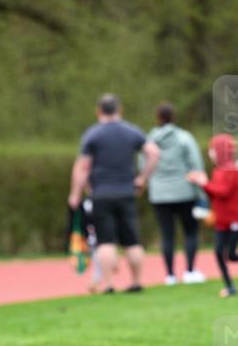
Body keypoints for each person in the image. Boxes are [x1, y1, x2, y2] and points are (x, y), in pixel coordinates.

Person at [68, 93, 159, 293]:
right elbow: (154, 153)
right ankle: (136, 282)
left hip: (100, 193)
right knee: (132, 241)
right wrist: (142, 178)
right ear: (120, 110)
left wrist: (75, 194)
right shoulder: (132, 132)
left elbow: (83, 167)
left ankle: (108, 285)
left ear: (98, 111)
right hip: (127, 192)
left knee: (105, 241)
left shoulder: (93, 134)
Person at [188, 134, 238, 297]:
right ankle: (230, 286)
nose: (211, 154)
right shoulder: (218, 170)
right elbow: (215, 194)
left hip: (234, 219)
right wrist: (204, 184)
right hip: (222, 219)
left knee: (230, 255)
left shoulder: (231, 169)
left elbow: (224, 192)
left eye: (213, 150)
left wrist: (203, 183)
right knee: (220, 253)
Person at [145, 102, 206, 285]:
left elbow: (144, 165)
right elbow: (196, 164)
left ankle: (170, 275)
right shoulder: (184, 138)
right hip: (185, 191)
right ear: (174, 116)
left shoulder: (150, 139)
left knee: (167, 234)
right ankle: (189, 271)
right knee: (190, 232)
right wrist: (201, 192)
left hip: (160, 194)